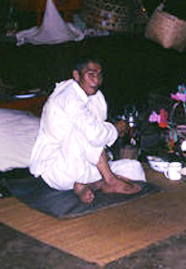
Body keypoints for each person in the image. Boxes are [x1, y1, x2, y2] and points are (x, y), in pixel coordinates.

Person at [29, 56, 144, 205]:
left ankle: (92, 185)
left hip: (82, 168)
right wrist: (114, 129)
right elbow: (94, 135)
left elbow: (98, 141)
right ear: (76, 75)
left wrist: (111, 133)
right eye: (91, 74)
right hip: (59, 169)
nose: (96, 81)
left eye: (99, 75)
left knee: (134, 169)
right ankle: (109, 180)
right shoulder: (68, 96)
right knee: (87, 131)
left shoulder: (96, 97)